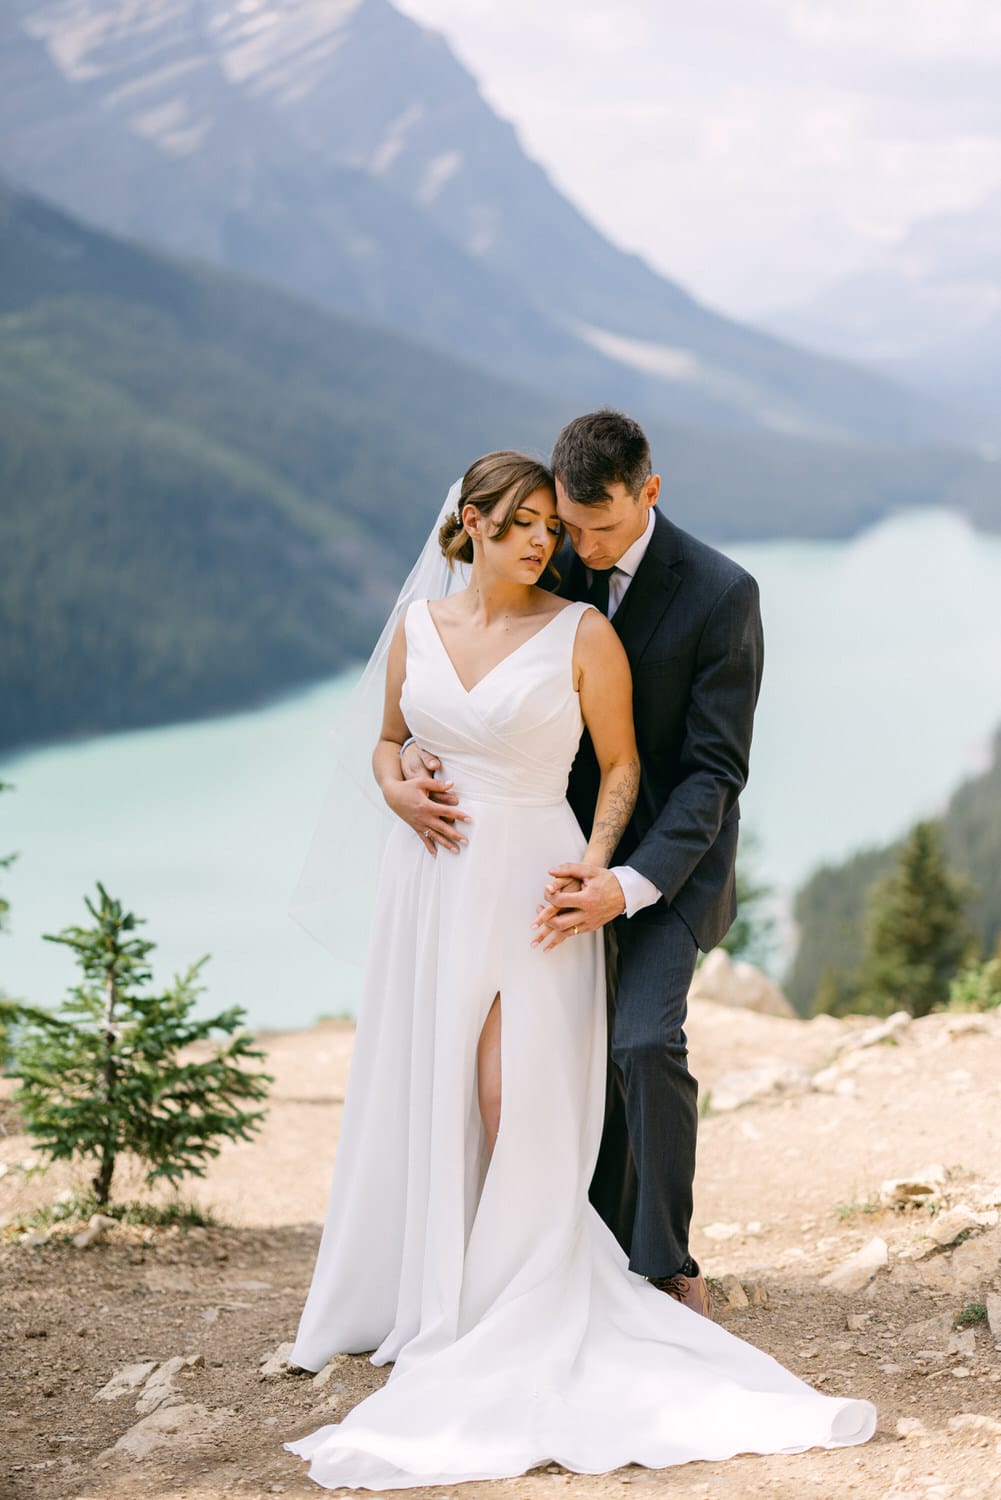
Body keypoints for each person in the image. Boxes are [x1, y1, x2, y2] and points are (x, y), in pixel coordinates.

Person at [284, 449, 875, 1491]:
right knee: (437, 1077)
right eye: (533, 526)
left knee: (565, 1070)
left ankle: (632, 1269)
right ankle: (438, 1277)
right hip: (430, 885)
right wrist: (397, 782)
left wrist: (604, 871)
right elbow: (389, 739)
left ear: (644, 493)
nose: (552, 546)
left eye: (560, 531)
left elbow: (662, 768)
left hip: (555, 877)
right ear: (470, 523)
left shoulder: (618, 615)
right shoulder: (430, 622)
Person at [406, 410, 763, 1317]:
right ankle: (561, 1246)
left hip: (664, 868)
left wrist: (625, 881)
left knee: (641, 1042)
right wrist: (412, 755)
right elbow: (468, 678)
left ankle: (662, 1265)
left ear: (650, 491)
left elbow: (713, 772)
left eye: (600, 529)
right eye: (568, 526)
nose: (579, 548)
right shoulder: (546, 552)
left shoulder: (722, 593)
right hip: (536, 861)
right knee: (539, 1060)